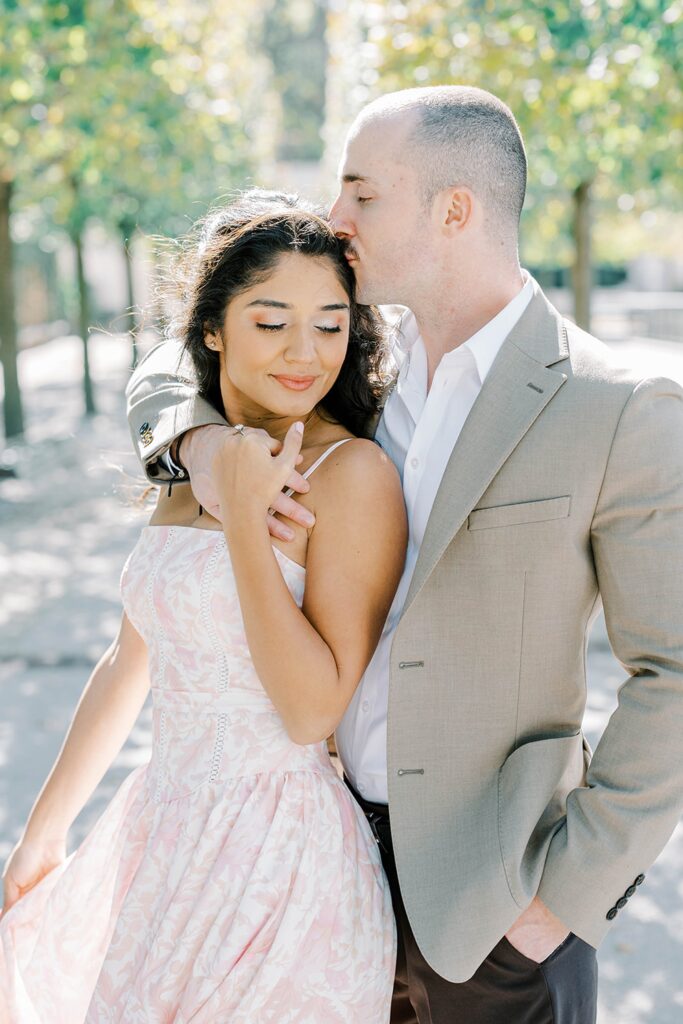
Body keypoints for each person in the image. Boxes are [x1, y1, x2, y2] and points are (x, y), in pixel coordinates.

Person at [125, 86, 683, 1024]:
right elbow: (175, 356)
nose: (334, 220)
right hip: (313, 869)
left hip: (497, 908)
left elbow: (672, 672)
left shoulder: (617, 405)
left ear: (453, 209)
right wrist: (202, 443)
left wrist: (559, 903)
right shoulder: (355, 373)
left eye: (361, 194)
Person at [0, 193, 407, 1023]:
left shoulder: (353, 475)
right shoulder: (196, 459)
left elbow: (309, 712)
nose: (305, 353)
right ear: (213, 330)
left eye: (330, 325)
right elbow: (129, 663)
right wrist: (44, 831)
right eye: (270, 323)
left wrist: (250, 530)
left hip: (281, 861)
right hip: (160, 831)